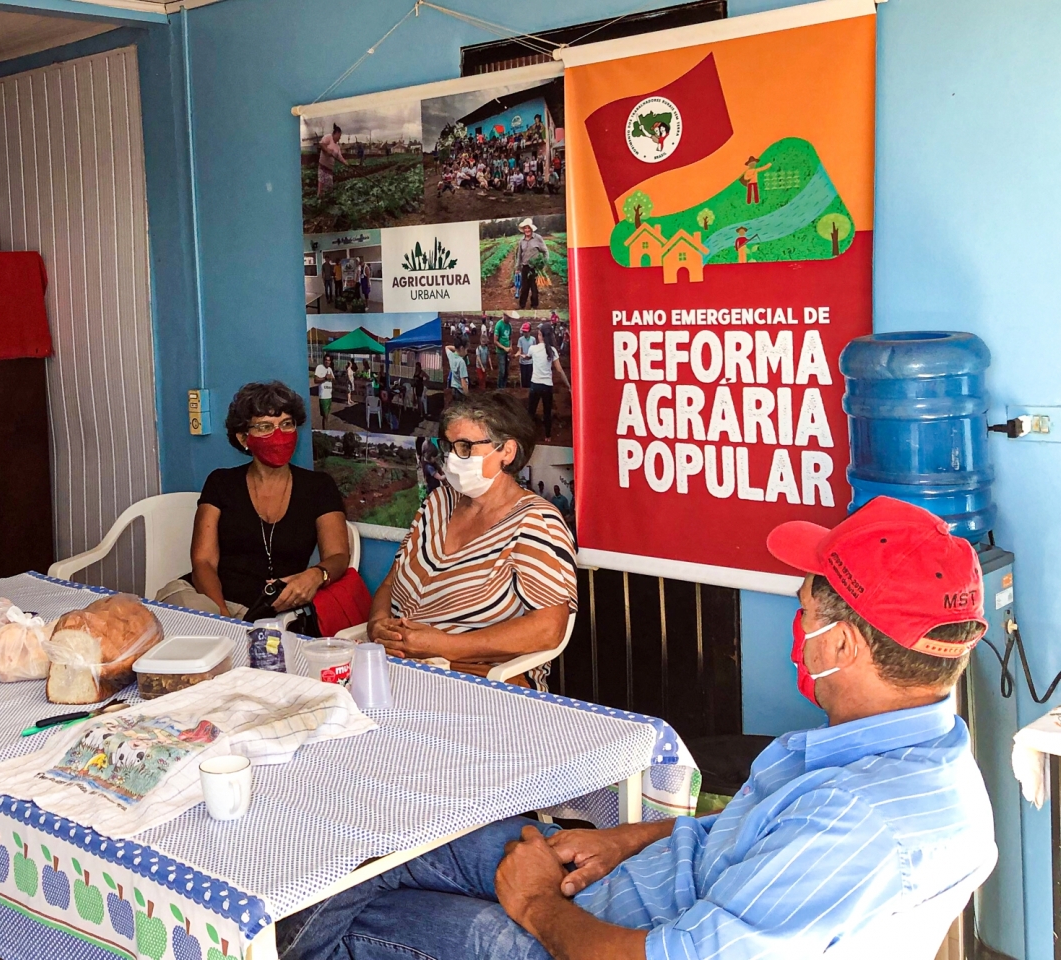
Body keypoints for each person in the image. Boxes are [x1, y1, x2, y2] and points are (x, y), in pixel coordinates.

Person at [279, 496, 996, 960]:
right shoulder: (908, 751)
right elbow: (744, 835)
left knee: (359, 917)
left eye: (807, 608)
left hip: (599, 941)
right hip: (622, 882)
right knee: (391, 829)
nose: (798, 625)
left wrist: (531, 903)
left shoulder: (855, 817)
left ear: (842, 647)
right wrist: (622, 839)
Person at [361, 392, 576, 689]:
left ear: (507, 452)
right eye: (448, 446)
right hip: (397, 667)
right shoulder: (438, 502)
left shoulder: (535, 521)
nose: (451, 457)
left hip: (478, 679)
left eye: (465, 447)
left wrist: (446, 645)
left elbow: (549, 628)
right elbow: (391, 582)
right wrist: (377, 625)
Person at [156, 381, 351, 617]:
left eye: (286, 424)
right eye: (265, 427)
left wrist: (317, 574)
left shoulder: (319, 487)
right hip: (209, 602)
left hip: (275, 613)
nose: (278, 435)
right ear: (243, 438)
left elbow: (338, 556)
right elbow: (203, 562)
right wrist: (221, 616)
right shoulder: (221, 483)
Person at [527, 324, 570, 441]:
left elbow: (527, 357)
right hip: (547, 386)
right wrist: (568, 385)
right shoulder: (552, 350)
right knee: (547, 412)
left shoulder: (533, 349)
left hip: (535, 384)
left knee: (531, 411)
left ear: (540, 335)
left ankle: (528, 435)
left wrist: (522, 356)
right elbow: (559, 370)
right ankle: (548, 436)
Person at [515, 218, 548, 310]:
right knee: (524, 288)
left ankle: (534, 305)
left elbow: (545, 251)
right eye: (525, 228)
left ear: (531, 229)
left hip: (535, 268)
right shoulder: (521, 241)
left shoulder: (538, 238)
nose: (527, 230)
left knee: (534, 289)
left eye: (528, 228)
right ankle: (522, 305)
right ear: (523, 230)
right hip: (525, 268)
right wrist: (517, 268)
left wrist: (543, 263)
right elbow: (519, 255)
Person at [317, 124, 347, 198]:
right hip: (323, 167)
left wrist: (345, 163)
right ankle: (319, 202)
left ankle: (327, 202)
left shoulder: (337, 147)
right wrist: (327, 150)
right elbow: (321, 144)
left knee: (329, 188)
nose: (339, 138)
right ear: (336, 133)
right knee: (321, 187)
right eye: (339, 136)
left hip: (330, 170)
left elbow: (340, 157)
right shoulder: (328, 137)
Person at [314, 354, 335, 428]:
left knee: (327, 415)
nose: (327, 362)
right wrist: (325, 378)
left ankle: (325, 429)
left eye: (329, 360)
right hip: (323, 396)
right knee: (325, 415)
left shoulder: (330, 369)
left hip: (329, 395)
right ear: (323, 360)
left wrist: (332, 378)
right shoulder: (319, 367)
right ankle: (325, 430)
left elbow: (333, 379)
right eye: (326, 360)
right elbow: (315, 380)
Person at [494, 312, 514, 389]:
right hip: (500, 352)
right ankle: (499, 388)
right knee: (502, 371)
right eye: (508, 318)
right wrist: (504, 348)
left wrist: (510, 347)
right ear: (504, 315)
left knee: (506, 371)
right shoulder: (499, 325)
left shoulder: (509, 325)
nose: (509, 319)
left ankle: (503, 387)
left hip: (507, 351)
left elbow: (510, 338)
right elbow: (495, 341)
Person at [516, 322, 534, 389]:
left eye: (526, 332)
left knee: (529, 377)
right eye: (523, 332)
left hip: (530, 362)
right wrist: (516, 355)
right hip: (522, 362)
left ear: (529, 331)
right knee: (523, 378)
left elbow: (534, 350)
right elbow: (520, 351)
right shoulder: (520, 339)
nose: (524, 333)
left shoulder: (533, 339)